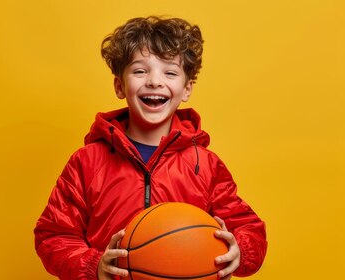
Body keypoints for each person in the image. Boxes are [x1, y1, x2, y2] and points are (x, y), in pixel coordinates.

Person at [34, 16, 267, 280]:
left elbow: (249, 228)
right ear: (120, 85)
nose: (154, 81)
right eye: (140, 71)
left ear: (186, 89)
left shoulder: (206, 164)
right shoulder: (86, 162)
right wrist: (93, 266)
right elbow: (53, 235)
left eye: (170, 72)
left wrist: (240, 251)